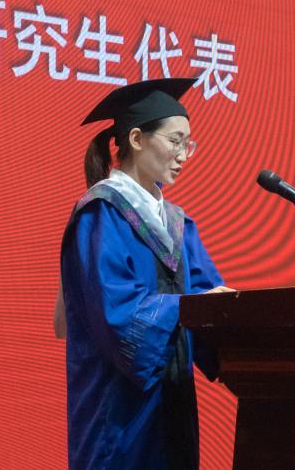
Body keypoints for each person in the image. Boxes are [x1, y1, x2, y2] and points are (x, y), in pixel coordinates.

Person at [55, 78, 233, 470]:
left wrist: (235, 327)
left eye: (188, 144)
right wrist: (190, 308)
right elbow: (116, 311)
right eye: (175, 141)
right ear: (137, 139)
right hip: (120, 413)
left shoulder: (177, 224)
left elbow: (207, 298)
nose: (183, 155)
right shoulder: (101, 214)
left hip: (171, 408)